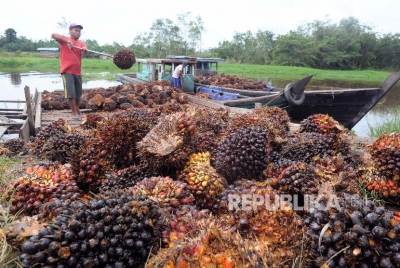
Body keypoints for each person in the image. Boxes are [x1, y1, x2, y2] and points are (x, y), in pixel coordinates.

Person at [51, 23, 87, 119]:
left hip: (78, 72)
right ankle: (74, 113)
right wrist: (67, 41)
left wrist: (84, 50)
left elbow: (84, 48)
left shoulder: (81, 43)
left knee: (78, 93)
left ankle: (77, 108)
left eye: (79, 31)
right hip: (67, 71)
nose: (78, 33)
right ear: (70, 30)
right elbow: (53, 35)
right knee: (71, 93)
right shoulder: (64, 40)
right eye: (76, 30)